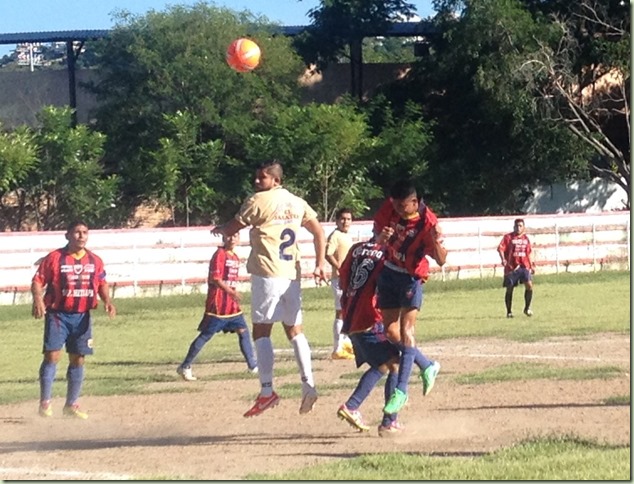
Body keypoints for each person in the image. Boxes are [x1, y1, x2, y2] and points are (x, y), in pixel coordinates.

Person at [211, 160, 327, 418]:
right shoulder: (297, 202)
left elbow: (233, 227)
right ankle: (308, 385)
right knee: (295, 330)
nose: (256, 182)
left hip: (267, 273)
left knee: (261, 331)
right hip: (291, 276)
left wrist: (221, 229)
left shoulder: (258, 201)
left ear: (275, 180)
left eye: (261, 178)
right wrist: (319, 263)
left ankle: (266, 391)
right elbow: (318, 230)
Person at [373, 179, 447, 416]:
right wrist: (380, 238)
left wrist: (435, 240)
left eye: (402, 207)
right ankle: (426, 365)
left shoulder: (428, 222)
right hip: (388, 273)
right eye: (394, 206)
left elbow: (442, 259)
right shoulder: (390, 207)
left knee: (407, 331)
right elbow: (377, 235)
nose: (397, 211)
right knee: (390, 332)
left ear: (415, 202)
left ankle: (401, 391)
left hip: (410, 278)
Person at [31, 221, 116, 419]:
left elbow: (102, 283)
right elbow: (37, 281)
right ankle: (45, 402)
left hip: (82, 316)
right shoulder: (55, 258)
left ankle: (71, 405)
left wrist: (108, 301)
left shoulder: (95, 260)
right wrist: (37, 299)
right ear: (67, 235)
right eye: (77, 232)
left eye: (85, 232)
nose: (81, 236)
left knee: (78, 358)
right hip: (58, 315)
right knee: (52, 356)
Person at [336, 229, 404, 436]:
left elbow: (342, 280)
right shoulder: (387, 255)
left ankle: (381, 418)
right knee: (393, 363)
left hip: (350, 316)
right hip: (369, 317)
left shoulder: (357, 249)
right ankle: (376, 416)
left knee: (384, 364)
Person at [176, 232, 258, 381]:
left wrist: (233, 292)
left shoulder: (235, 256)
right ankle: (185, 365)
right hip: (218, 304)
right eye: (229, 235)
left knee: (243, 331)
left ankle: (253, 366)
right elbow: (216, 279)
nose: (232, 238)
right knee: (206, 335)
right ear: (223, 237)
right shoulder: (219, 254)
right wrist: (230, 292)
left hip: (231, 306)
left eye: (235, 236)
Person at [325, 207, 354, 360]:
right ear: (337, 221)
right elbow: (328, 254)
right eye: (343, 218)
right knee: (340, 312)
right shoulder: (335, 235)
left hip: (349, 279)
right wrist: (340, 268)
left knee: (348, 311)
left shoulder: (347, 236)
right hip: (339, 279)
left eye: (348, 219)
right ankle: (337, 348)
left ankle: (345, 342)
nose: (345, 221)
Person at [497, 218, 534, 318]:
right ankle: (509, 312)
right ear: (514, 227)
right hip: (511, 267)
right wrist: (503, 259)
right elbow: (500, 248)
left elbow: (529, 252)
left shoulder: (526, 239)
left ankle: (527, 308)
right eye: (517, 226)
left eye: (520, 226)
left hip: (524, 266)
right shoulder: (508, 237)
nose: (518, 228)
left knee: (529, 285)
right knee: (510, 289)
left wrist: (532, 265)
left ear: (524, 227)